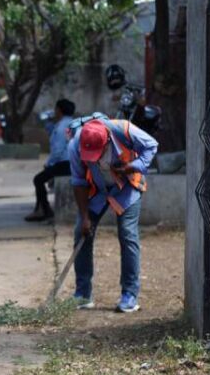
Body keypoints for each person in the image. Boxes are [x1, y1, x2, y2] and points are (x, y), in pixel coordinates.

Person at [68, 117, 158, 312]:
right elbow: (78, 181)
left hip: (127, 186)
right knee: (81, 232)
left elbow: (151, 145)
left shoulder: (124, 129)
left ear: (107, 140)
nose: (94, 159)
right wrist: (85, 217)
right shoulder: (75, 144)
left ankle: (129, 295)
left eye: (97, 153)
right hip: (97, 190)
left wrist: (133, 166)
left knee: (127, 234)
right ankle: (83, 294)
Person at [25, 99, 76, 221]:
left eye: (56, 109)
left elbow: (57, 151)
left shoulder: (61, 128)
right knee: (43, 177)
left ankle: (44, 210)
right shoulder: (73, 123)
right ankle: (41, 208)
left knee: (38, 179)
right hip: (74, 162)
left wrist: (48, 164)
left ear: (59, 110)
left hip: (65, 164)